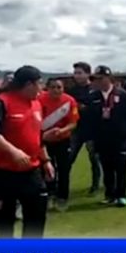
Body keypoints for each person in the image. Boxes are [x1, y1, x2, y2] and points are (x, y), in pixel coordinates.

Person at [0, 66, 54, 238]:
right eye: (39, 83)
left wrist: (46, 160)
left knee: (36, 221)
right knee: (4, 224)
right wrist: (14, 152)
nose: (41, 88)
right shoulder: (1, 102)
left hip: (32, 172)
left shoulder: (37, 104)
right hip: (5, 173)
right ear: (28, 84)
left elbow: (38, 136)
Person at [89, 66, 126, 207]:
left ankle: (121, 195)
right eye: (97, 79)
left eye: (101, 78)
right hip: (102, 138)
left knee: (121, 167)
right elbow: (90, 119)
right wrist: (91, 138)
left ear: (109, 78)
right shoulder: (93, 97)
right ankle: (110, 194)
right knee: (107, 167)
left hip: (120, 138)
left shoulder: (122, 95)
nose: (99, 81)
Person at [39, 79, 79, 212]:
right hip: (45, 141)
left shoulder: (70, 101)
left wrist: (61, 131)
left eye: (59, 87)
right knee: (46, 169)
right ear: (47, 88)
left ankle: (62, 197)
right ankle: (49, 194)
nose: (56, 90)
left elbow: (73, 123)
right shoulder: (39, 100)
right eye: (53, 87)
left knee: (64, 169)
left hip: (63, 140)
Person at [67, 62, 101, 195]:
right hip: (76, 129)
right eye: (75, 73)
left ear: (88, 74)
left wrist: (85, 108)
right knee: (69, 158)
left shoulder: (95, 89)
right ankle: (63, 186)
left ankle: (95, 185)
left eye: (80, 73)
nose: (77, 76)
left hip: (92, 130)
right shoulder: (71, 91)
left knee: (94, 158)